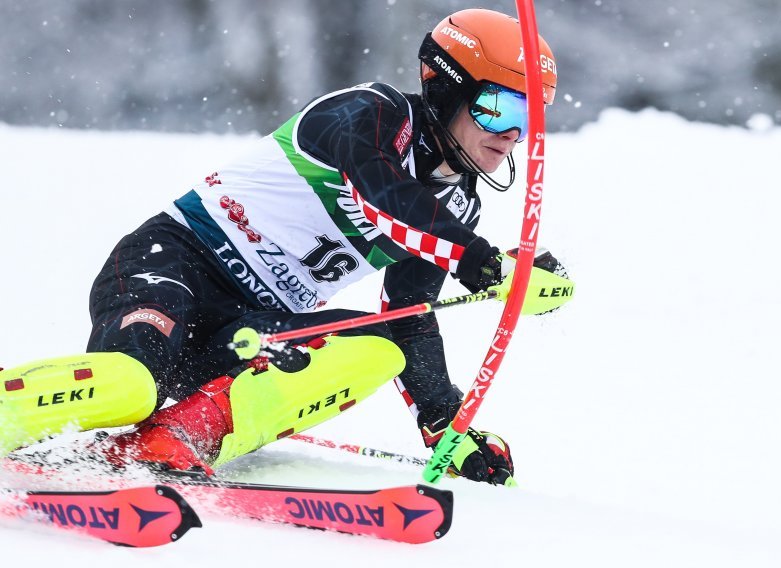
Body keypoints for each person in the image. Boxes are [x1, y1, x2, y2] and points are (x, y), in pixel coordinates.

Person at [0, 8, 570, 485]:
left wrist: (447, 424)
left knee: (379, 344)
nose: (512, 133)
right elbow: (384, 199)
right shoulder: (369, 113)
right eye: (499, 107)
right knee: (129, 385)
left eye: (530, 118)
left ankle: (180, 438)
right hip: (175, 263)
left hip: (253, 324)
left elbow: (411, 315)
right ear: (444, 89)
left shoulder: (459, 209)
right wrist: (486, 262)